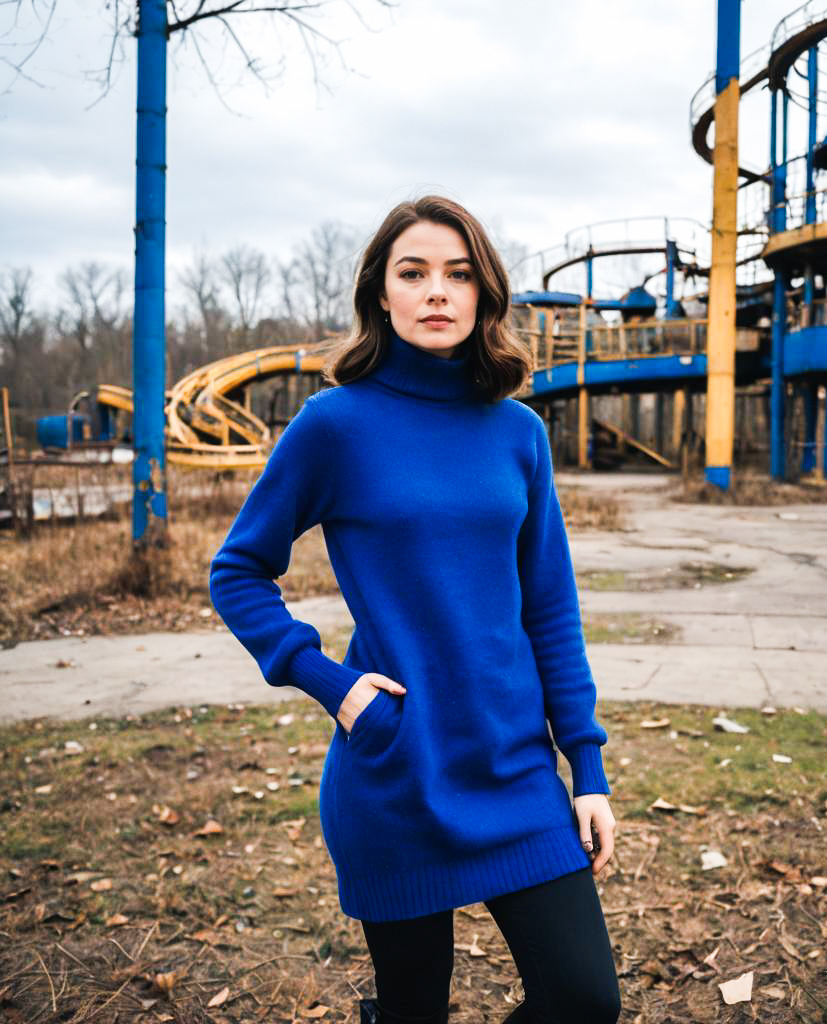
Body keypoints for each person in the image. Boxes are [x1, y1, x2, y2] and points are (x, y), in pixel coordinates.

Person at [209, 195, 621, 1024]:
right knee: (413, 1014)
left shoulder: (518, 433)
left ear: (484, 296)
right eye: (415, 273)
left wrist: (587, 768)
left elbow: (550, 608)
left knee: (583, 1000)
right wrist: (331, 682)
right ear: (382, 295)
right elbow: (238, 570)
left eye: (459, 274)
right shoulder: (335, 426)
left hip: (516, 770)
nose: (438, 291)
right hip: (396, 771)